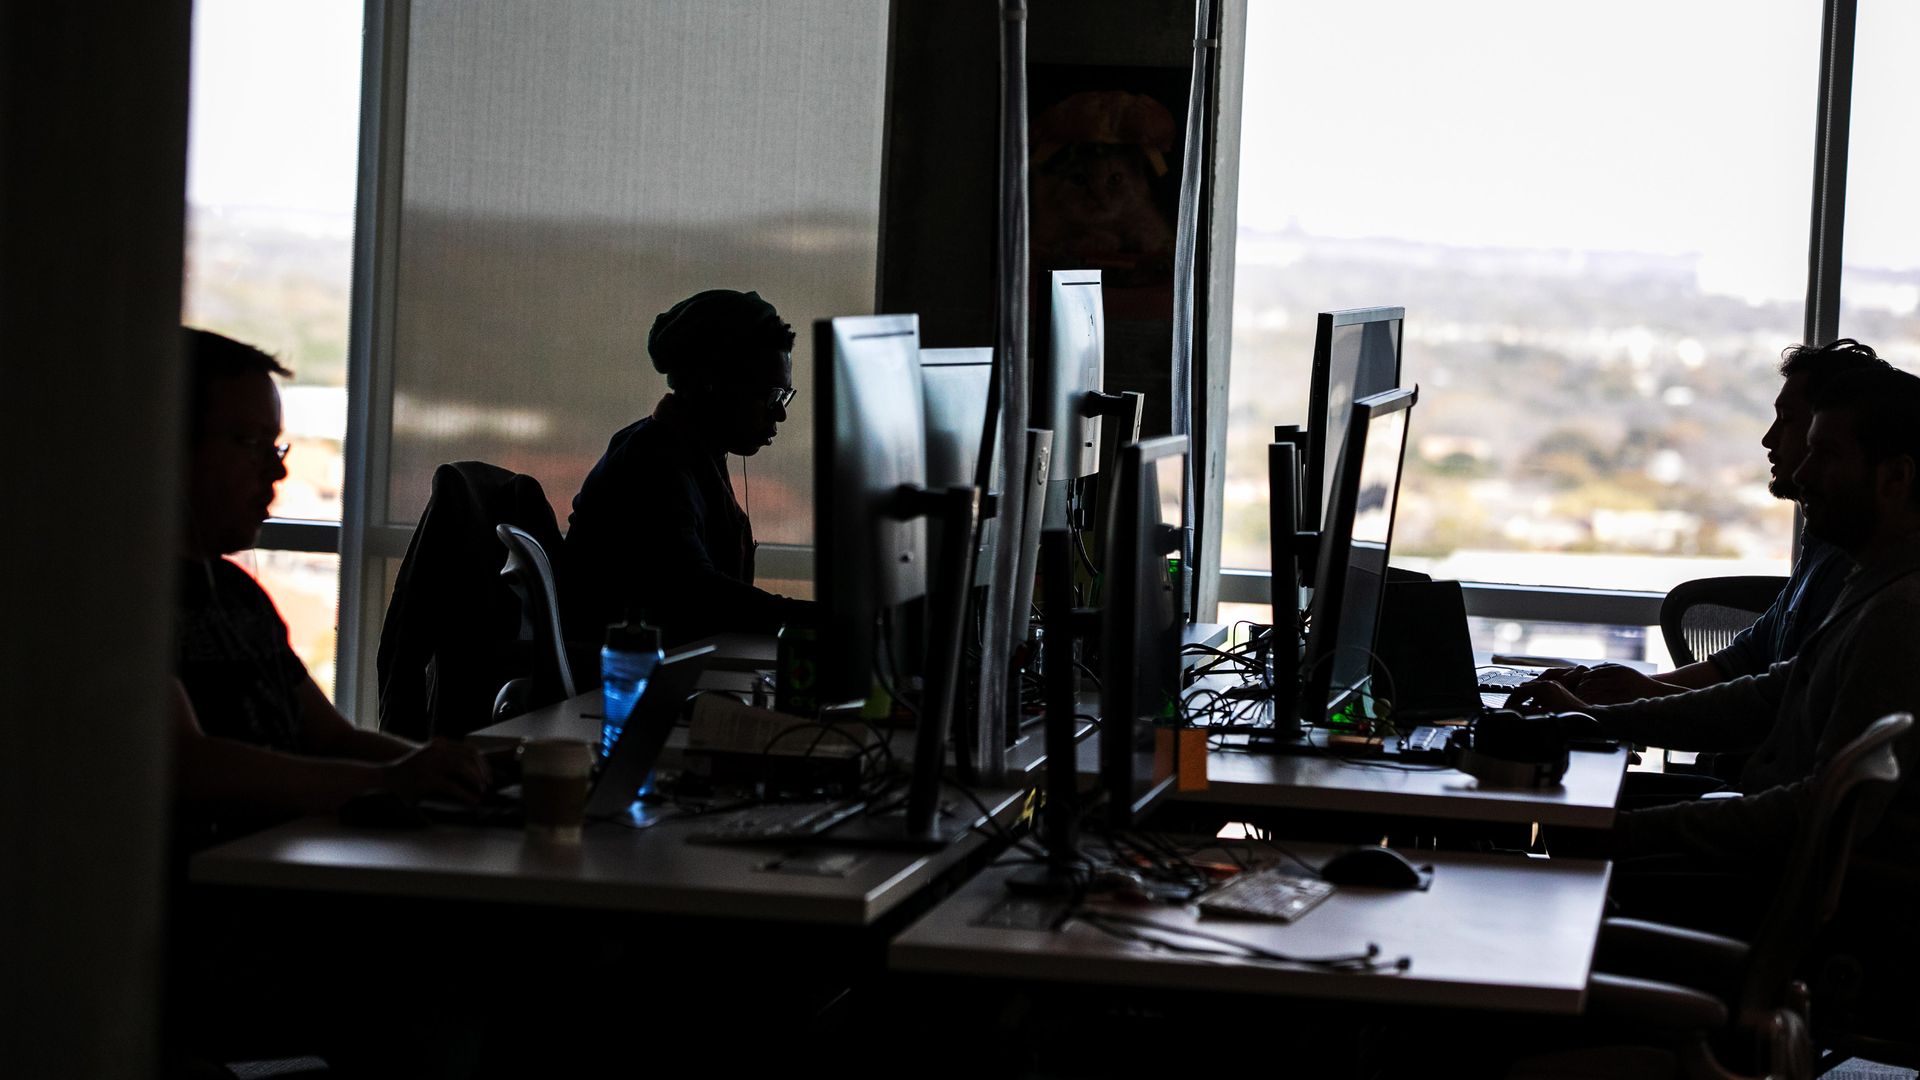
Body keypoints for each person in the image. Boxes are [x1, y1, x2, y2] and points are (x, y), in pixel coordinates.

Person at [1511, 365, 1920, 937]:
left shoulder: (1898, 617)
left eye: (1824, 455)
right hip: (1765, 863)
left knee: (1544, 882)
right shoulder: (1870, 579)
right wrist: (1595, 720)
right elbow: (1765, 693)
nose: (1802, 472)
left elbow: (1812, 812)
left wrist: (1633, 828)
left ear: (1895, 479)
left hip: (1778, 899)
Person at [173, 328, 489, 846]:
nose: (277, 469)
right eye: (249, 443)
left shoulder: (233, 592)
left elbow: (329, 736)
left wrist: (461, 770)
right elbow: (188, 764)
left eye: (275, 445)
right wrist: (389, 781)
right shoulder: (115, 603)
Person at [1539, 339, 1888, 705]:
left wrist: (1625, 701)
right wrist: (1610, 691)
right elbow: (1744, 663)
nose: (1769, 439)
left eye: (1787, 421)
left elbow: (1772, 711)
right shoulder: (1823, 542)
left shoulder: (1858, 568)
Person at [566, 288, 815, 645]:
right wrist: (829, 619)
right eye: (769, 396)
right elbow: (700, 595)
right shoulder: (651, 466)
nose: (780, 413)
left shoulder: (692, 451)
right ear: (711, 385)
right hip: (632, 689)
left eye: (785, 396)